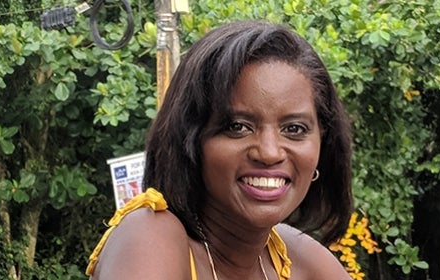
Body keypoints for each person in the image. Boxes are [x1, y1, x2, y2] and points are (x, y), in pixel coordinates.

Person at [86, 20, 353, 279]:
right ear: (190, 142)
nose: (270, 153)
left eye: (294, 129)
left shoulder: (299, 258)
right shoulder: (150, 235)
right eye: (238, 127)